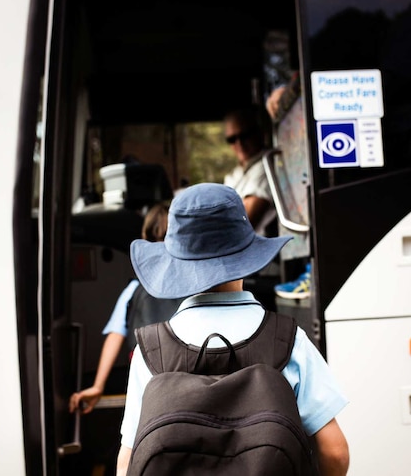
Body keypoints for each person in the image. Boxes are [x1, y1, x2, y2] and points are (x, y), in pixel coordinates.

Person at [116, 183, 350, 476]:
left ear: (175, 264)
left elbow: (127, 463)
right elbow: (335, 452)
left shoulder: (150, 351)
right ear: (247, 256)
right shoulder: (288, 340)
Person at [68, 204, 184, 415]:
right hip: (188, 384)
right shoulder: (194, 284)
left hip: (149, 389)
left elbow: (116, 334)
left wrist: (98, 385)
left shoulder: (134, 290)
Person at [222, 108, 277, 238]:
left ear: (259, 133)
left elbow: (244, 222)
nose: (239, 143)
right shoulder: (234, 174)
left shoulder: (267, 164)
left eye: (245, 135)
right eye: (232, 139)